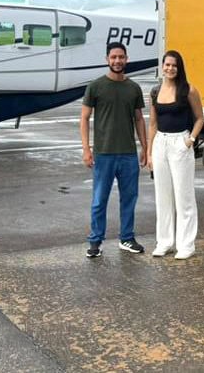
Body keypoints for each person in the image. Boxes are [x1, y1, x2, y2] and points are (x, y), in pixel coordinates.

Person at [80, 42, 148, 258]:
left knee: (129, 198)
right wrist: (86, 149)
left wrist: (145, 148)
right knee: (99, 200)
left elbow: (139, 119)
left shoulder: (133, 88)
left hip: (128, 154)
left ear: (127, 59)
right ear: (107, 59)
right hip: (104, 154)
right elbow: (84, 117)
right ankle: (95, 241)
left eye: (121, 57)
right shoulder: (96, 86)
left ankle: (126, 238)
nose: (117, 61)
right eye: (113, 57)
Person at [148, 50, 204, 259]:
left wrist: (190, 140)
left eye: (174, 65)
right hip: (160, 144)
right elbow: (152, 124)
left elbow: (200, 118)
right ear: (162, 66)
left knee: (184, 195)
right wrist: (149, 153)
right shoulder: (155, 92)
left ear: (179, 68)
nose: (170, 68)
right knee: (163, 196)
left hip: (180, 143)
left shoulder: (188, 90)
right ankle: (164, 242)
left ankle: (186, 245)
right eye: (167, 65)